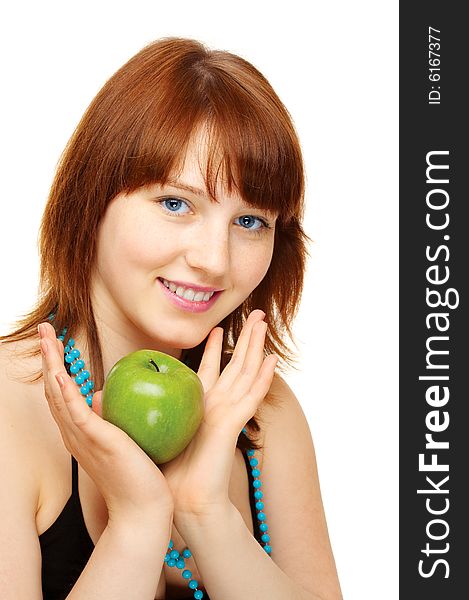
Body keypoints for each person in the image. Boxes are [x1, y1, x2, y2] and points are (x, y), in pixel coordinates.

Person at [0, 37, 342, 600]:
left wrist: (207, 516)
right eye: (176, 204)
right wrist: (137, 521)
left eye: (251, 221)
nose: (214, 259)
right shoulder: (11, 415)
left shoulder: (263, 412)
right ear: (91, 199)